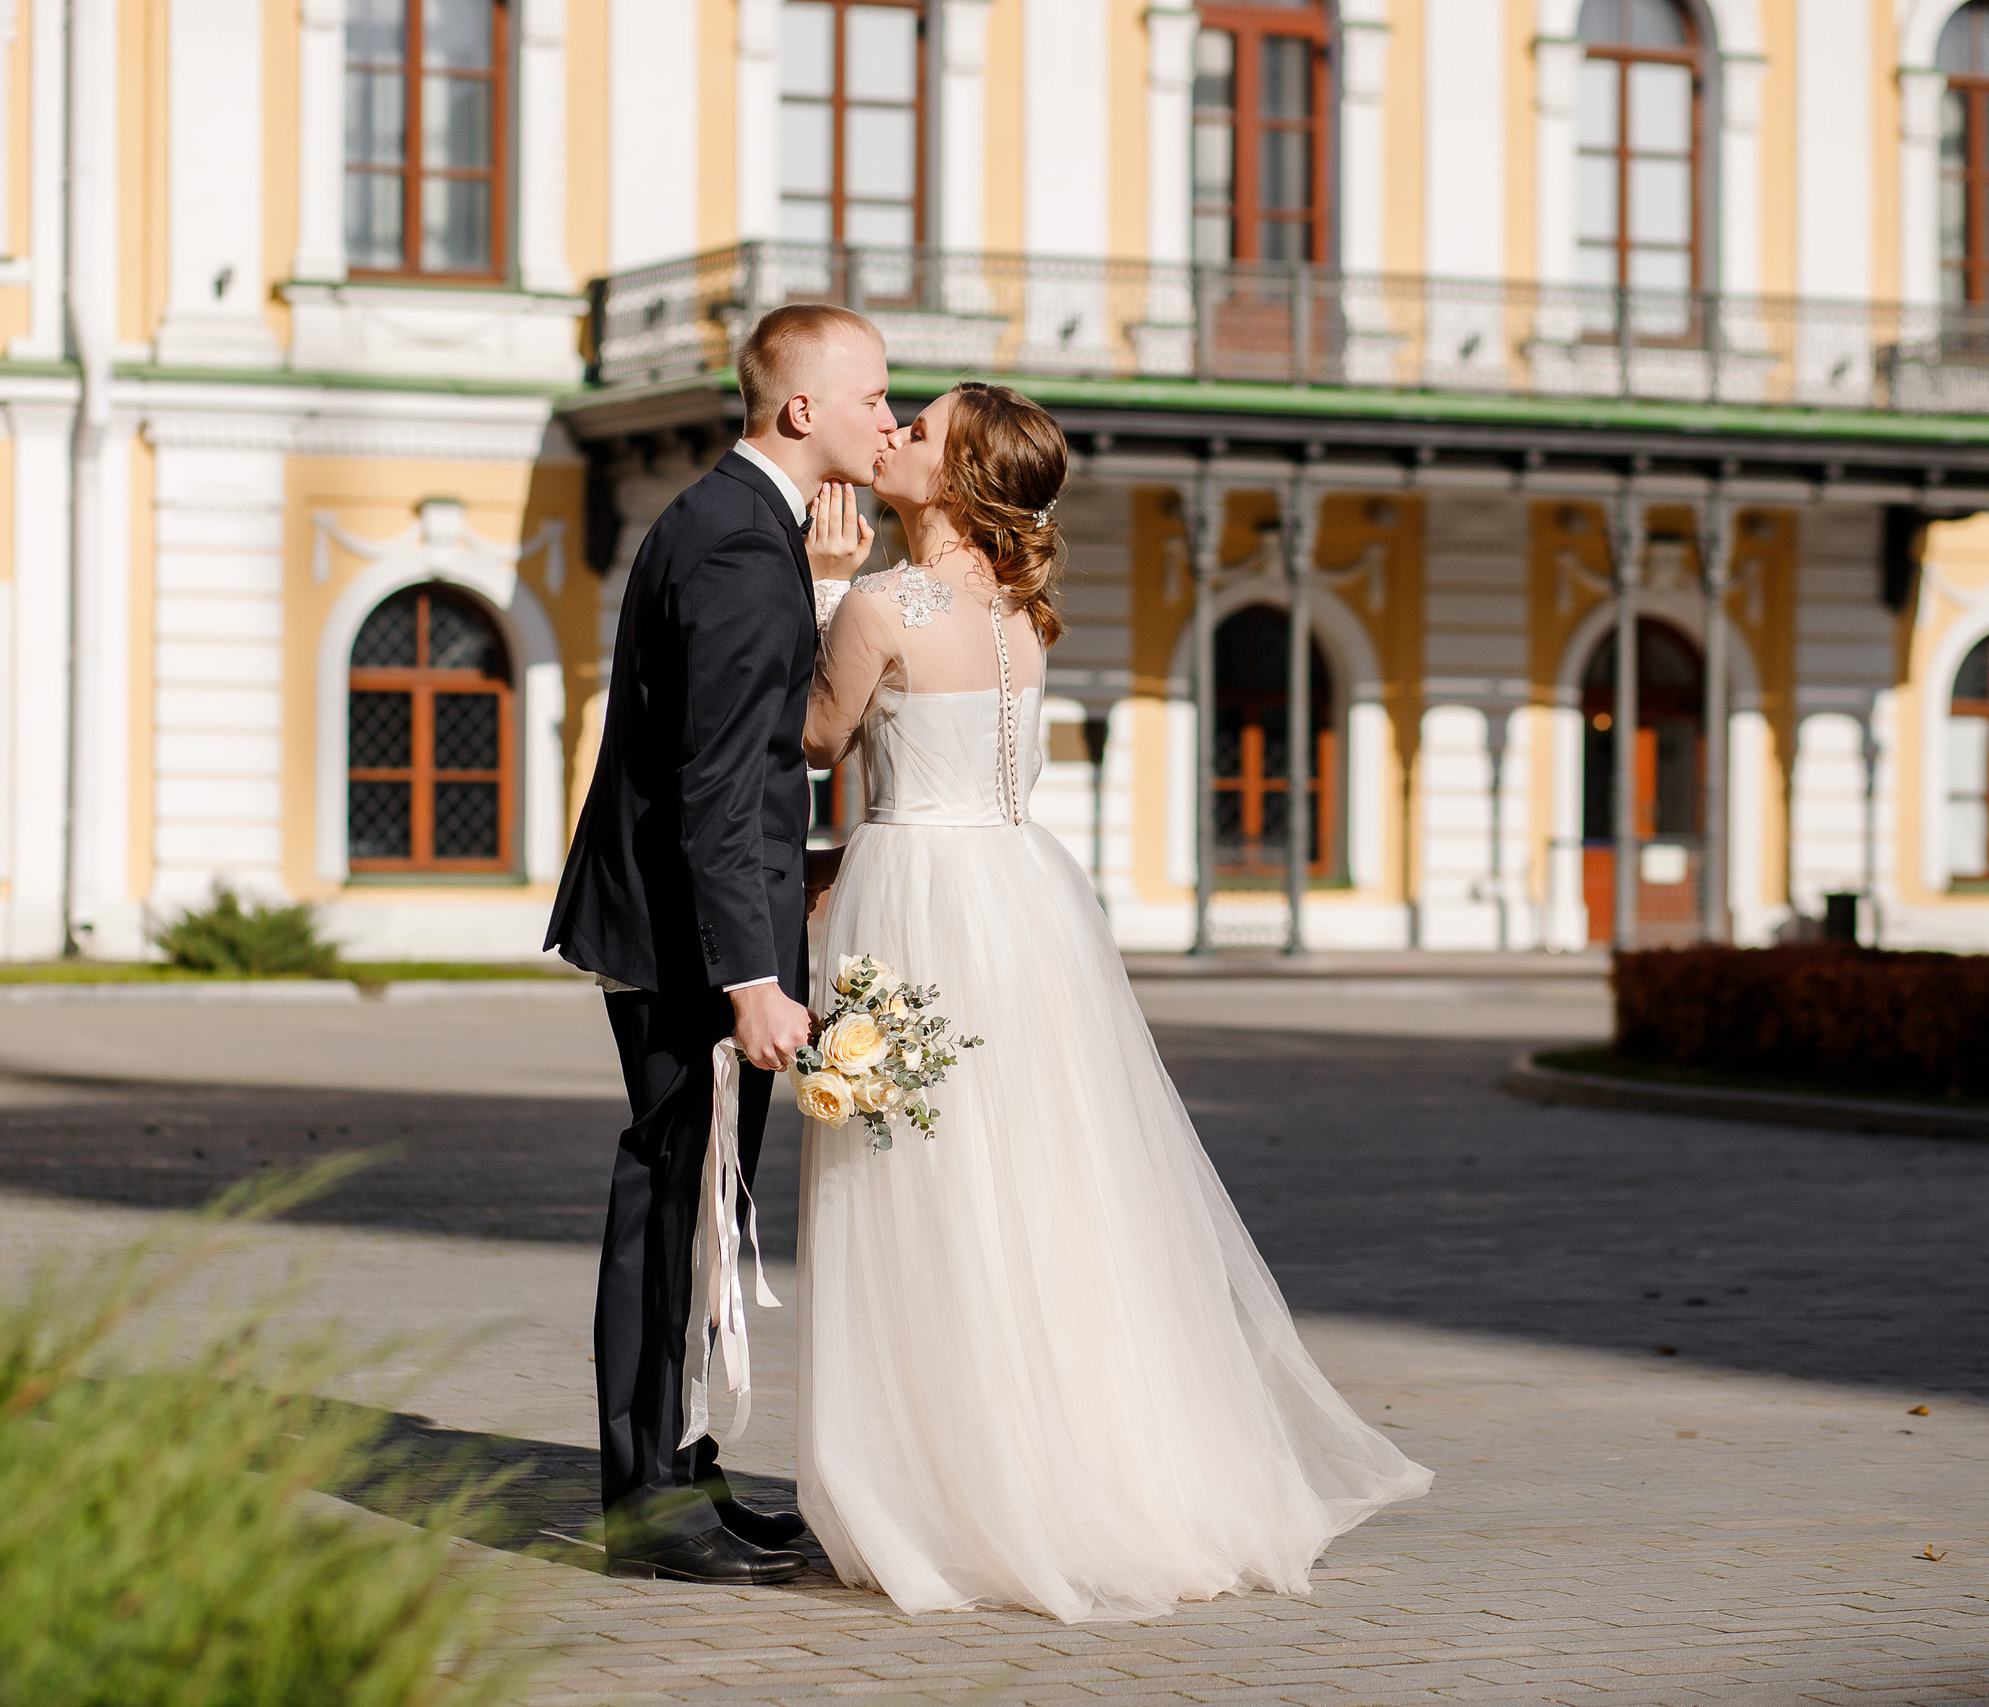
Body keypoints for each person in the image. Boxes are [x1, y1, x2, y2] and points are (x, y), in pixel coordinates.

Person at [795, 382, 1434, 1623]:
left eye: (918, 432)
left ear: (963, 474)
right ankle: (1065, 1469)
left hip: (921, 895)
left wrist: (825, 590)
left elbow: (817, 741)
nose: (895, 438)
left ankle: (940, 1488)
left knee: (919, 1180)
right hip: (1024, 903)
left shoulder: (883, 603)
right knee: (1035, 1186)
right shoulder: (1019, 615)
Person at [545, 302, 896, 1585]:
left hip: (690, 921)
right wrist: (751, 975)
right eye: (872, 397)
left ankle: (681, 1470)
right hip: (695, 949)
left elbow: (739, 761)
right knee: (671, 1199)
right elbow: (715, 780)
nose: (889, 419)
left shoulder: (740, 530)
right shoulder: (744, 551)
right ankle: (646, 1506)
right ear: (800, 409)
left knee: (699, 1209)